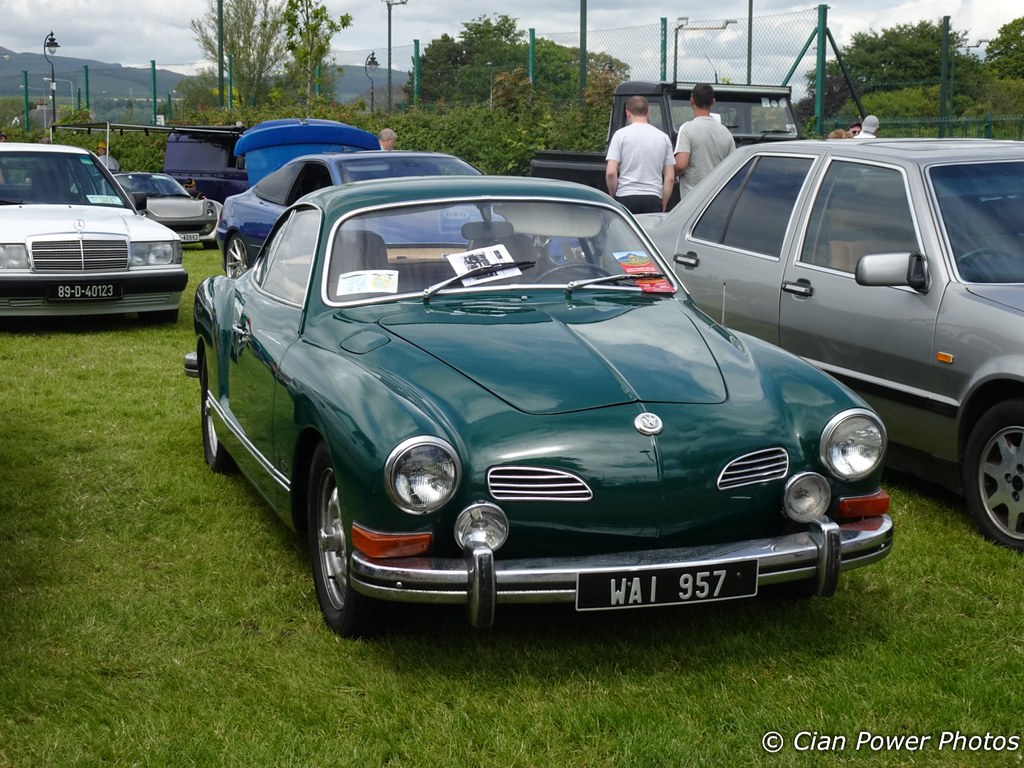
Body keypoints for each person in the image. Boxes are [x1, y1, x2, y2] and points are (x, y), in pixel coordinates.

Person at [604, 95, 675, 214]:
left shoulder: (620, 135)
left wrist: (613, 195)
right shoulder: (663, 137)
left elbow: (611, 172)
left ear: (627, 113)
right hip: (653, 197)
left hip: (625, 196)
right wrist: (664, 202)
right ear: (648, 112)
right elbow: (670, 178)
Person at [674, 83, 735, 195]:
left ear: (691, 101)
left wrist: (669, 174)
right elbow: (732, 168)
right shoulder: (726, 133)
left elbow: (681, 165)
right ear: (713, 101)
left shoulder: (687, 129)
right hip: (717, 198)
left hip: (692, 200)